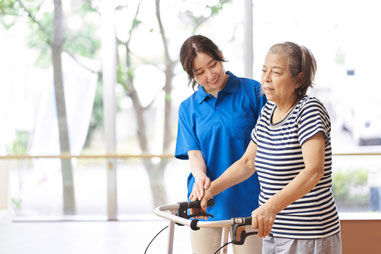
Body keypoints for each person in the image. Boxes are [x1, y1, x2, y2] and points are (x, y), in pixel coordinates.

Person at [200, 41, 342, 254]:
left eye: (276, 72)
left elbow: (314, 171)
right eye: (264, 71)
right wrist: (211, 189)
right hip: (274, 230)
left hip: (309, 233)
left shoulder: (309, 110)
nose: (266, 79)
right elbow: (248, 162)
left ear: (299, 78)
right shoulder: (268, 113)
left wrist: (271, 207)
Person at [175, 35, 267, 254]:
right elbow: (195, 155)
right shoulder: (188, 108)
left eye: (213, 64)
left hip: (250, 195)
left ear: (220, 56)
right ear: (192, 76)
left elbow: (263, 149)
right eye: (200, 73)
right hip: (206, 198)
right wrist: (199, 177)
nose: (210, 75)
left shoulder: (254, 92)